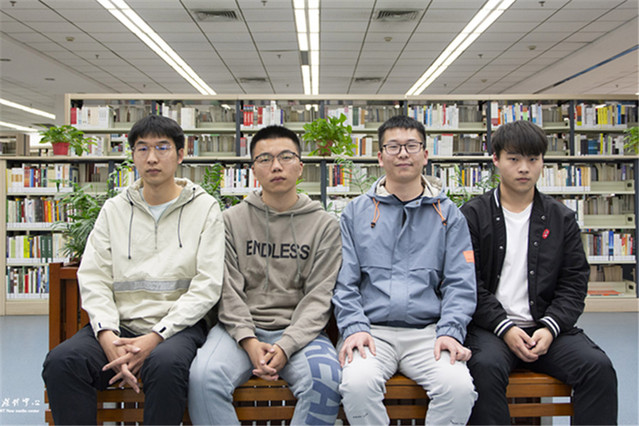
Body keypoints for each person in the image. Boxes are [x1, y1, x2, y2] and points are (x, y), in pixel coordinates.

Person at [42, 115, 225, 425]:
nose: (152, 158)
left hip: (176, 329)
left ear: (180, 154)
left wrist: (155, 337)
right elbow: (94, 277)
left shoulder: (204, 208)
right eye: (143, 148)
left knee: (166, 367)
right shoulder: (114, 209)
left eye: (162, 148)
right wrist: (107, 336)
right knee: (63, 362)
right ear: (133, 156)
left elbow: (207, 283)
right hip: (121, 326)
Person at [460, 120, 618, 425]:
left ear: (542, 162)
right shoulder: (473, 215)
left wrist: (550, 327)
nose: (524, 168)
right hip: (492, 329)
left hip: (547, 329)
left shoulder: (561, 218)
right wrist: (505, 327)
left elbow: (574, 282)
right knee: (483, 368)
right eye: (514, 159)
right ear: (496, 159)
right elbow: (468, 283)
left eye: (533, 159)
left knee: (597, 368)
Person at [188, 125, 342, 425]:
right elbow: (227, 290)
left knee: (326, 380)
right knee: (203, 377)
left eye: (286, 157)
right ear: (252, 170)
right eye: (265, 159)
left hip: (300, 333)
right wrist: (248, 340)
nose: (276, 166)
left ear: (300, 166)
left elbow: (319, 296)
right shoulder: (230, 221)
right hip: (238, 332)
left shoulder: (325, 226)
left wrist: (287, 345)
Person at [333, 115, 478, 425]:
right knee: (357, 386)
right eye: (393, 146)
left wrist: (450, 331)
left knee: (458, 388)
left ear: (425, 155)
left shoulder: (448, 215)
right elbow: (345, 283)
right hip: (371, 330)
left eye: (411, 146)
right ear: (379, 156)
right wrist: (354, 327)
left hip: (429, 333)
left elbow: (460, 283)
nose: (402, 154)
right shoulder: (356, 213)